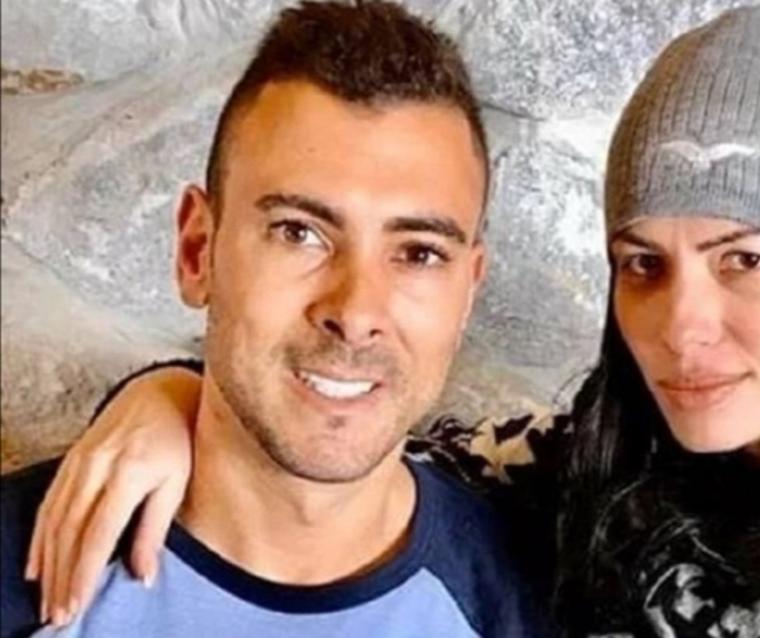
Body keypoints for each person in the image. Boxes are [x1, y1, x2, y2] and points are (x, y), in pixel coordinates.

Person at [15, 5, 760, 637]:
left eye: (744, 258)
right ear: (198, 249)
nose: (683, 325)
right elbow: (345, 451)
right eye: (642, 264)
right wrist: (171, 398)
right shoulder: (575, 489)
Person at [0, 2, 548, 637]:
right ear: (197, 251)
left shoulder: (528, 607)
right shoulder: (18, 575)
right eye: (298, 233)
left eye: (419, 253)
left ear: (468, 292)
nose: (355, 313)